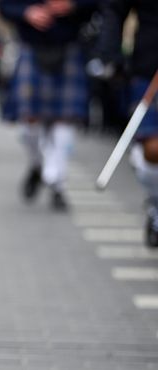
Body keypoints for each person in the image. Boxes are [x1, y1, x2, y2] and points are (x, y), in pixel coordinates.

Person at [0, 0, 97, 211]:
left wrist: (73, 6)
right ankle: (38, 164)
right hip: (31, 46)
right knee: (29, 124)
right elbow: (3, 5)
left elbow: (101, 5)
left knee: (64, 122)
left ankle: (57, 183)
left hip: (69, 46)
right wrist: (26, 11)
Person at [95, 0, 158, 246]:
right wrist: (110, 55)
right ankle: (156, 205)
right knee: (153, 149)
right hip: (150, 65)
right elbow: (114, 8)